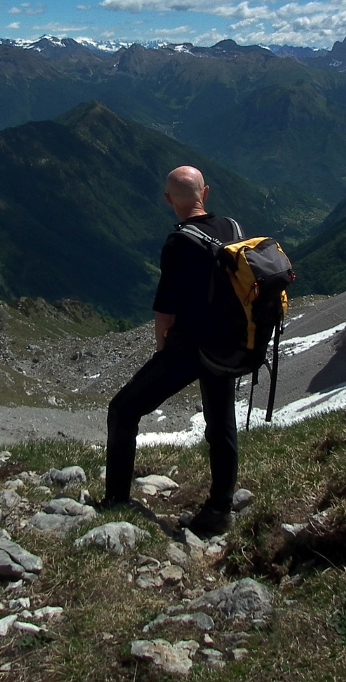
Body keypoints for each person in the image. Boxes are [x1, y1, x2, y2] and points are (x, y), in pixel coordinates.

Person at [99, 165, 240, 536]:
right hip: (227, 343)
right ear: (205, 193)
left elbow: (165, 312)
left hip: (189, 347)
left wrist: (165, 351)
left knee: (124, 409)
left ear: (168, 201)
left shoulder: (179, 242)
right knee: (221, 425)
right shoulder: (231, 227)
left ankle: (116, 498)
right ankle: (220, 509)